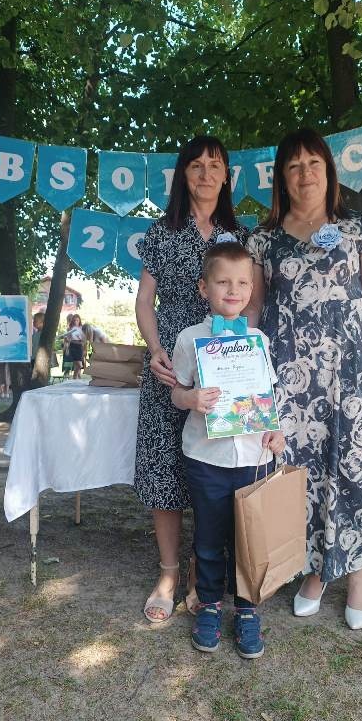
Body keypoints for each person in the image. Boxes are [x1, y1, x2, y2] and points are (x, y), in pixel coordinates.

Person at [246, 128, 362, 629]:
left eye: (313, 163)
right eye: (294, 165)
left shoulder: (358, 228)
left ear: (328, 171)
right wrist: (242, 372)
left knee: (355, 465)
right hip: (290, 378)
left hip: (355, 372)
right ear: (282, 177)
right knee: (301, 471)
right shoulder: (263, 239)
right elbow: (253, 307)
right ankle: (315, 569)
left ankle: (358, 571)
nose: (305, 173)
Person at [135, 135, 249, 622]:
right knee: (165, 467)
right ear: (183, 174)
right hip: (170, 366)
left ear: (226, 176)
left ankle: (207, 575)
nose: (206, 173)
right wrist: (156, 349)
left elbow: (250, 300)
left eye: (215, 165)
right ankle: (167, 573)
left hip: (225, 368)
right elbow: (145, 300)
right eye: (196, 165)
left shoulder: (238, 234)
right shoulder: (162, 231)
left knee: (215, 470)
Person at [171, 242, 285, 657]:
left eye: (242, 283)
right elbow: (176, 393)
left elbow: (267, 396)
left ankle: (247, 610)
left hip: (254, 458)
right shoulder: (189, 339)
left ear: (251, 289)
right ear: (205, 288)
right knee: (208, 534)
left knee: (248, 538)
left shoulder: (258, 339)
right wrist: (191, 399)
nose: (233, 290)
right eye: (223, 282)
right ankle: (208, 605)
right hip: (206, 458)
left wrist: (276, 431)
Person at [64, 314, 86, 380]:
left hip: (79, 347)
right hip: (73, 347)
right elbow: (67, 339)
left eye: (77, 320)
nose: (76, 322)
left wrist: (84, 348)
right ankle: (75, 378)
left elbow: (84, 340)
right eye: (74, 320)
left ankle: (76, 378)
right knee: (78, 365)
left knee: (78, 365)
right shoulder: (70, 329)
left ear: (79, 321)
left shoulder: (81, 328)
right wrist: (67, 347)